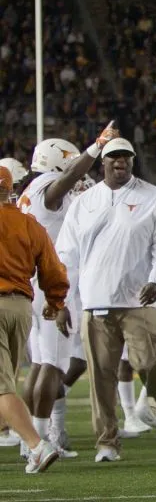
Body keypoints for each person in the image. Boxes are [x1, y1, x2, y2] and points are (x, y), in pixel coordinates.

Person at [55, 138, 156, 462]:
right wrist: (61, 300)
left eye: (125, 156)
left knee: (152, 365)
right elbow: (66, 255)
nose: (119, 161)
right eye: (113, 157)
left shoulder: (153, 198)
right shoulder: (85, 202)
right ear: (103, 163)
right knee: (101, 378)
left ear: (133, 160)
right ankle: (107, 442)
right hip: (95, 301)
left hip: (139, 299)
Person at [18, 132, 113, 457]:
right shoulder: (48, 188)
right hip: (51, 288)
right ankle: (41, 442)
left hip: (33, 284)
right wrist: (97, 147)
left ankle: (28, 438)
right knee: (53, 366)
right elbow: (71, 175)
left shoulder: (29, 190)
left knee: (42, 364)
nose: (75, 171)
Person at [0, 165, 65, 473]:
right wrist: (55, 301)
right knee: (6, 384)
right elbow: (53, 268)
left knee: (1, 388)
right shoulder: (30, 224)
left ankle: (37, 447)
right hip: (21, 308)